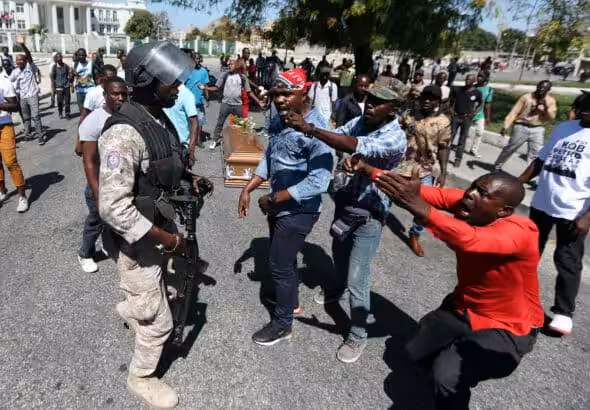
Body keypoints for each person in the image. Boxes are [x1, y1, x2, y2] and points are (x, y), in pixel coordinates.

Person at [98, 41, 210, 408]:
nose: (178, 87)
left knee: (161, 291)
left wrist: (188, 178)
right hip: (137, 241)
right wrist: (168, 239)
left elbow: (162, 165)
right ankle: (141, 376)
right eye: (170, 82)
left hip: (156, 230)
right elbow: (113, 208)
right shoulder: (122, 134)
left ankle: (131, 307)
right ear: (146, 82)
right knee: (157, 321)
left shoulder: (155, 118)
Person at [374, 170, 543, 410]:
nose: (469, 194)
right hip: (465, 304)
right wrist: (367, 169)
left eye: (481, 193)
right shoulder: (476, 205)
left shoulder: (521, 231)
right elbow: (430, 193)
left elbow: (469, 239)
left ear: (503, 211)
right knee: (416, 349)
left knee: (447, 375)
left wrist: (421, 208)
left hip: (508, 326)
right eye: (473, 186)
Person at [285, 85, 407, 363]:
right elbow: (340, 137)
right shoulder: (361, 121)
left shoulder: (394, 137)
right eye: (370, 100)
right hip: (345, 203)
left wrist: (311, 129)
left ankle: (357, 335)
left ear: (393, 109)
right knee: (339, 255)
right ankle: (334, 290)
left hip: (369, 213)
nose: (371, 105)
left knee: (358, 277)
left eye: (379, 103)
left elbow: (353, 144)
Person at [238, 68, 334, 346]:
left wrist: (274, 199)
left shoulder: (319, 130)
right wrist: (249, 187)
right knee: (286, 259)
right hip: (277, 205)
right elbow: (271, 156)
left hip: (299, 211)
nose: (278, 99)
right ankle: (289, 302)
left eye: (286, 94)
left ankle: (283, 324)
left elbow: (319, 181)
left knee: (279, 264)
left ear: (303, 94)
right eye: (276, 93)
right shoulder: (281, 121)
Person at [519, 93, 590, 335]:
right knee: (529, 252)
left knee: (567, 260)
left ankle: (563, 312)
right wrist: (518, 184)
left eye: (588, 112)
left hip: (573, 211)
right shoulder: (564, 128)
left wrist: (587, 218)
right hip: (542, 203)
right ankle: (518, 295)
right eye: (583, 109)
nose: (583, 114)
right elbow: (540, 161)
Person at [78, 76, 128, 273]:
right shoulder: (93, 121)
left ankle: (111, 245)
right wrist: (97, 192)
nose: (120, 97)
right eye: (115, 93)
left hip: (121, 180)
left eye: (124, 93)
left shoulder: (128, 115)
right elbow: (88, 161)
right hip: (100, 182)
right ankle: (85, 253)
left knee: (118, 216)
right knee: (96, 220)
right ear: (105, 95)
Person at [397, 85, 450, 257]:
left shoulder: (443, 122)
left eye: (431, 98)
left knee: (426, 205)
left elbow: (443, 147)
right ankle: (379, 219)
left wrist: (443, 171)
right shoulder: (409, 115)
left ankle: (415, 233)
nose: (427, 101)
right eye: (424, 97)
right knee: (388, 192)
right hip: (401, 163)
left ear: (438, 101)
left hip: (425, 167)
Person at [493, 81, 556, 171]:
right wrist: (506, 126)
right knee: (510, 148)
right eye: (540, 87)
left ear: (548, 90)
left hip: (538, 129)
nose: (541, 89)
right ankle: (497, 166)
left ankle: (530, 175)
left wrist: (546, 109)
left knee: (535, 153)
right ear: (537, 86)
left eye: (544, 88)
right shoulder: (526, 97)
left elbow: (552, 117)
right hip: (521, 126)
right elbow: (514, 111)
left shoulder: (550, 101)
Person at [206, 59, 264, 149]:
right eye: (229, 64)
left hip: (238, 105)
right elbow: (216, 87)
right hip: (225, 104)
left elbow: (249, 92)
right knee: (220, 123)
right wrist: (206, 88)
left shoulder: (242, 77)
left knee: (241, 124)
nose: (230, 66)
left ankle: (241, 141)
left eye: (232, 64)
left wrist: (258, 101)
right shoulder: (225, 75)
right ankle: (214, 140)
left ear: (236, 65)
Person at [0, 68, 29, 212]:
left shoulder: (4, 82)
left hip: (4, 125)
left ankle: (22, 197)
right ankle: (2, 191)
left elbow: (15, 106)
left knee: (10, 161)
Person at [9, 36, 45, 145]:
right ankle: (27, 134)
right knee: (25, 117)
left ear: (25, 61)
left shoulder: (30, 67)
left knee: (36, 116)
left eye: (21, 59)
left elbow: (28, 55)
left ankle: (40, 136)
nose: (19, 61)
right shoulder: (15, 72)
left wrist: (22, 45)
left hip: (32, 95)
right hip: (22, 97)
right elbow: (9, 82)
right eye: (17, 60)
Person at [449, 74, 482, 167]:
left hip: (466, 118)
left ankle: (458, 159)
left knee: (462, 139)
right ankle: (445, 155)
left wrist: (474, 113)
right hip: (456, 117)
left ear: (474, 81)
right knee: (450, 136)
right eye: (467, 79)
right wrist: (451, 110)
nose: (467, 80)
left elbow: (480, 103)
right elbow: (451, 101)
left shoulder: (477, 92)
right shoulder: (458, 90)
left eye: (470, 79)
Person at [163, 82, 199, 166]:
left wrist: (191, 151)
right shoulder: (164, 93)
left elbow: (194, 122)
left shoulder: (186, 95)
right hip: (165, 144)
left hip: (180, 147)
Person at [184, 53, 209, 147]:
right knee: (187, 122)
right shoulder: (186, 71)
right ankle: (187, 140)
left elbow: (206, 85)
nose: (197, 60)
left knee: (200, 121)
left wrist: (207, 99)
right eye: (195, 59)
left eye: (198, 58)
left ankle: (198, 140)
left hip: (199, 102)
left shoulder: (203, 71)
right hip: (188, 102)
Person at [467, 72, 493, 158]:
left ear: (486, 78)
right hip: (468, 112)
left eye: (481, 77)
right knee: (464, 131)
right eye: (478, 76)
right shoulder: (473, 86)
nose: (478, 78)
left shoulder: (489, 89)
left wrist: (488, 117)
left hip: (480, 114)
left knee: (479, 132)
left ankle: (474, 150)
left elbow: (488, 104)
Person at [70, 48, 95, 113]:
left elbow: (96, 75)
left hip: (90, 89)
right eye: (80, 55)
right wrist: (72, 76)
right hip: (79, 90)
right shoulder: (75, 65)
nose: (81, 57)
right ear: (77, 56)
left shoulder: (91, 64)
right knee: (81, 109)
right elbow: (71, 77)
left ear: (85, 55)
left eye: (83, 55)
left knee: (90, 109)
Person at [49, 52, 72, 119]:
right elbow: (52, 78)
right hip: (59, 87)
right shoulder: (54, 67)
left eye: (60, 57)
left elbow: (69, 74)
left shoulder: (66, 66)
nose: (59, 59)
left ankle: (67, 113)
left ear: (62, 58)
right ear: (56, 59)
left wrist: (70, 77)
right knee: (60, 101)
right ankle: (60, 113)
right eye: (57, 57)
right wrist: (54, 87)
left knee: (67, 101)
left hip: (66, 86)